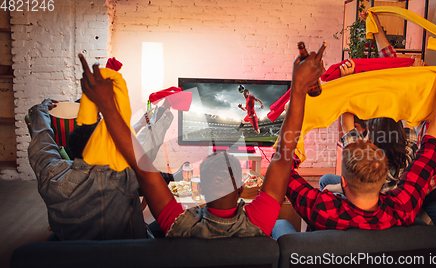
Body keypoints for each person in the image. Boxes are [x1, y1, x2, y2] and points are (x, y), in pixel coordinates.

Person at [77, 42, 326, 238]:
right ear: (241, 188)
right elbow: (283, 159)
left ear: (201, 191)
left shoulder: (177, 224)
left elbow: (143, 171)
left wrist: (108, 106)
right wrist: (299, 86)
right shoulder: (259, 222)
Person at [281, 62, 436, 231]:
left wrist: (295, 110)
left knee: (281, 225)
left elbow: (282, 169)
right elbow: (430, 153)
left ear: (343, 182)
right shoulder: (403, 208)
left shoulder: (321, 209)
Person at [27, 99, 148, 240]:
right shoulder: (125, 177)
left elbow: (42, 142)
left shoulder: (51, 174)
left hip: (71, 253)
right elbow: (148, 170)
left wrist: (40, 110)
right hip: (126, 255)